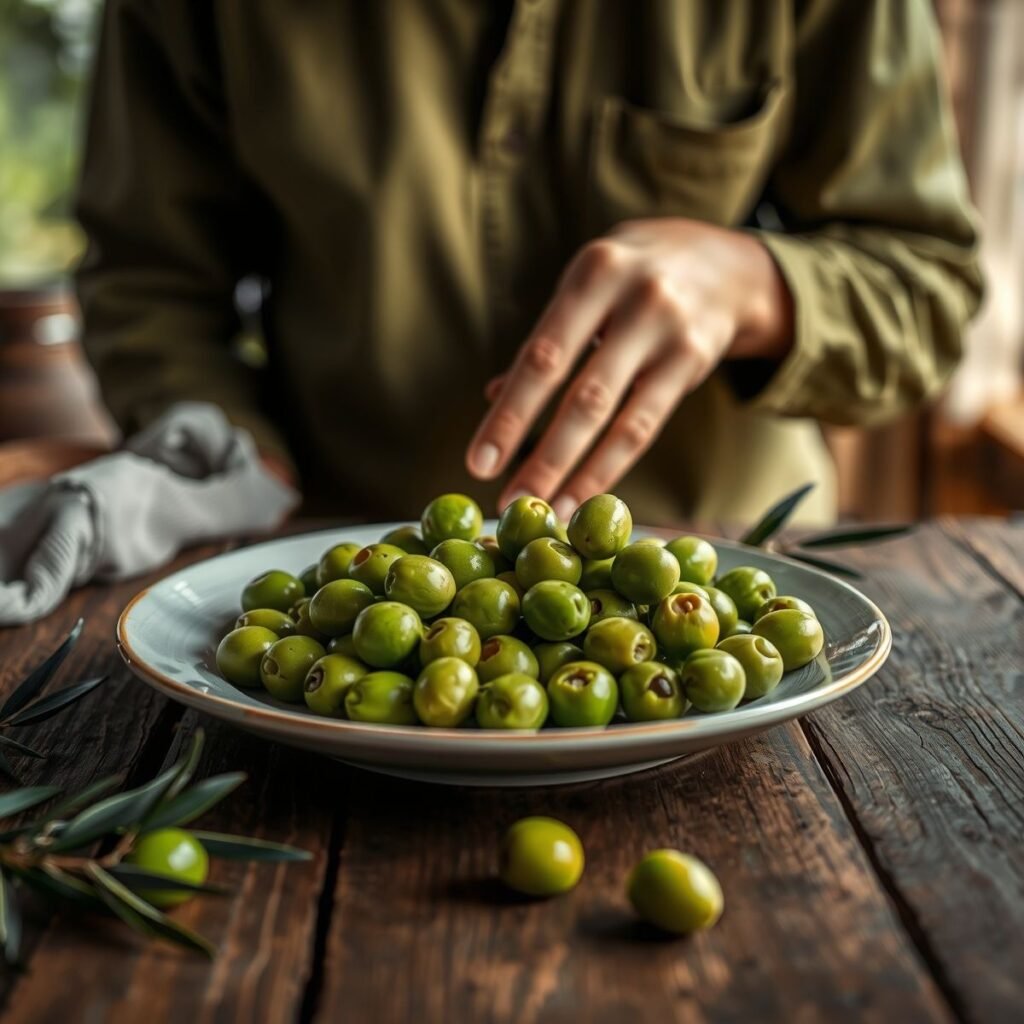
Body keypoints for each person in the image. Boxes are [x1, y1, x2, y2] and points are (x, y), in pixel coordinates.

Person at [3, 1, 983, 624]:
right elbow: (149, 280)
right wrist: (239, 452)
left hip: (737, 576)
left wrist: (755, 286)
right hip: (336, 567)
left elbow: (927, 288)